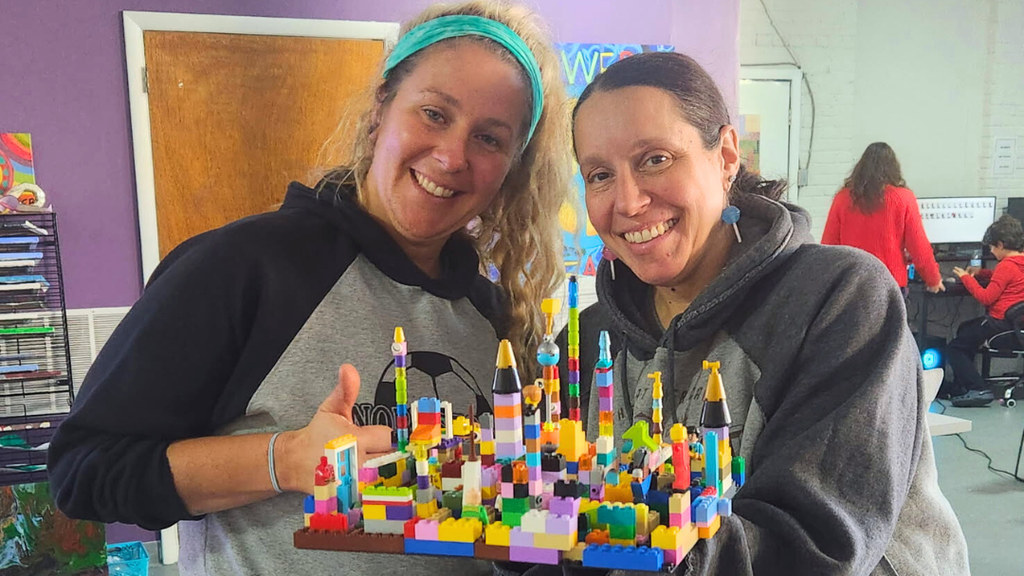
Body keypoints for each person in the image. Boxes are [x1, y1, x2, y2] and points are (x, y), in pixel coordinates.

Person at [47, 3, 571, 575]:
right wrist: (286, 460)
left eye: (489, 139)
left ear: (512, 167)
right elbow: (84, 470)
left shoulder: (493, 317)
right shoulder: (244, 268)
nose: (452, 156)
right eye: (433, 113)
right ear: (381, 109)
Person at [559, 51, 969, 575]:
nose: (629, 201)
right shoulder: (591, 338)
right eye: (599, 175)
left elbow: (817, 548)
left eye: (655, 159)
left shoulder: (837, 300)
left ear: (727, 156)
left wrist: (635, 540)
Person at [822, 142, 943, 295]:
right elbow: (919, 246)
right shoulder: (904, 198)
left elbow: (829, 245)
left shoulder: (842, 198)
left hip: (851, 284)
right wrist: (933, 279)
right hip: (890, 284)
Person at [946, 215, 1024, 407]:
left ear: (1001, 244)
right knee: (965, 329)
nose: (991, 251)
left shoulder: (1006, 266)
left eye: (992, 247)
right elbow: (1006, 280)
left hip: (999, 324)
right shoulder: (1018, 263)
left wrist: (966, 278)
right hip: (1015, 325)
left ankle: (978, 388)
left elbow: (986, 297)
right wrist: (982, 273)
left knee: (955, 347)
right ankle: (965, 385)